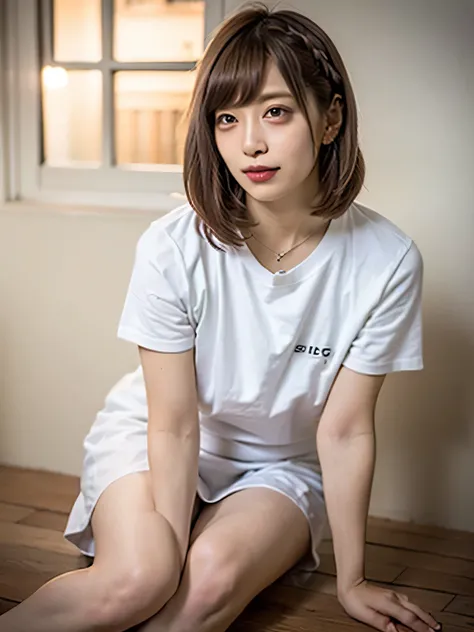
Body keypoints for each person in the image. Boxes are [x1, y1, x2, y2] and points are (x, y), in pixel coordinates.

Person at [0, 3, 442, 632]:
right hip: (160, 436)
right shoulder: (174, 245)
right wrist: (164, 561)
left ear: (330, 118)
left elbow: (343, 433)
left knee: (202, 593)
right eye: (227, 119)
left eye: (276, 112)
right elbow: (175, 424)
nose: (250, 143)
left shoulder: (387, 260)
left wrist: (354, 582)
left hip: (280, 466)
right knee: (139, 579)